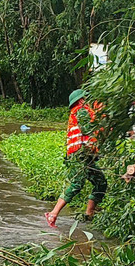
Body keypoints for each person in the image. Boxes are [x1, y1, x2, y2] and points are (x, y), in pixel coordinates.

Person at [45, 89, 107, 227]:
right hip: (79, 155)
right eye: (86, 98)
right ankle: (53, 214)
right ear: (81, 100)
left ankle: (89, 213)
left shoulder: (81, 110)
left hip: (85, 155)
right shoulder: (81, 110)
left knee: (100, 182)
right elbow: (87, 129)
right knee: (76, 184)